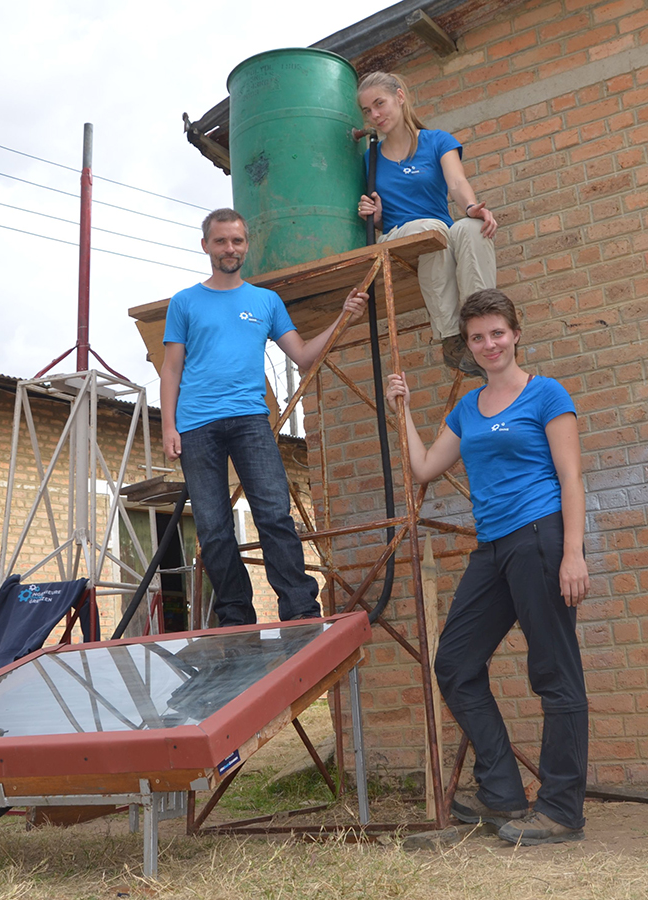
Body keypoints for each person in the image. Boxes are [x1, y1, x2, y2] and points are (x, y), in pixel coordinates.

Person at [385, 289, 589, 846]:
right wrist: (403, 409)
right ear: (469, 346)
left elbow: (571, 477)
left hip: (540, 538)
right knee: (454, 663)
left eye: (497, 332)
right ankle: (501, 793)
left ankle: (561, 810)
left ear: (515, 334)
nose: (489, 344)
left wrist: (573, 552)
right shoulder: (467, 409)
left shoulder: (546, 394)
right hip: (493, 547)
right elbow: (425, 467)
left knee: (554, 673)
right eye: (477, 337)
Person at [161, 208, 367, 627]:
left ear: (246, 245)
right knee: (213, 528)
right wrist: (168, 427)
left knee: (274, 513)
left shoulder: (266, 301)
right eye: (221, 241)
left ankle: (300, 608)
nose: (230, 248)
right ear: (206, 246)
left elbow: (303, 355)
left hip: (250, 420)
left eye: (237, 240)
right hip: (196, 425)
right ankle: (235, 615)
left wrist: (344, 317)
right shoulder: (184, 302)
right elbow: (171, 369)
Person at [356, 71, 497, 378]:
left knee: (469, 229)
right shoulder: (370, 158)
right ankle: (451, 337)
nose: (375, 115)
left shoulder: (437, 141)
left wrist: (471, 208)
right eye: (367, 111)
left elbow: (457, 183)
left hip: (440, 234)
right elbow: (376, 215)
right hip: (397, 236)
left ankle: (482, 325)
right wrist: (375, 216)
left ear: (400, 97)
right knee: (430, 230)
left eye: (379, 103)